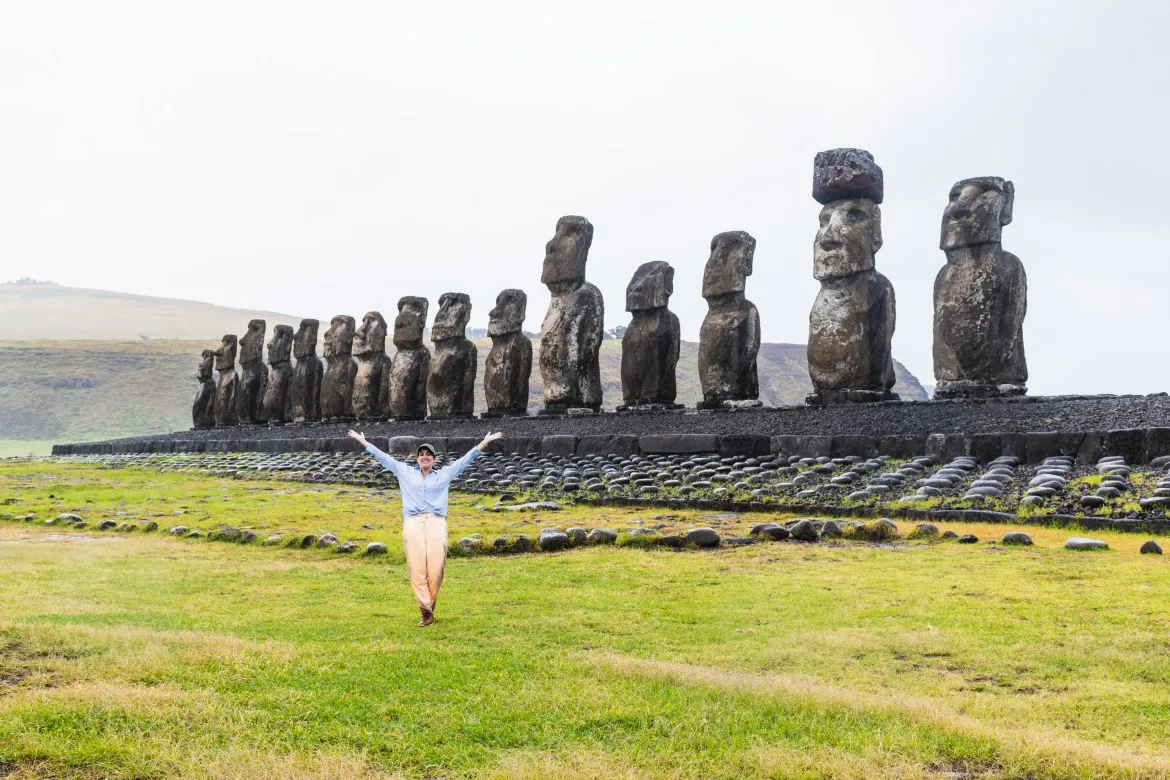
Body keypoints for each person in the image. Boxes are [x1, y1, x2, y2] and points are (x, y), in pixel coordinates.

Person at [347, 429, 502, 626]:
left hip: (436, 521)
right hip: (413, 521)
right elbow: (383, 457)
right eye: (421, 455)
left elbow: (464, 461)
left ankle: (430, 604)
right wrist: (363, 441)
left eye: (428, 455)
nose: (424, 457)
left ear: (433, 459)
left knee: (436, 568)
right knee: (417, 567)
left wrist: (484, 443)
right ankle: (426, 611)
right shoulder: (405, 471)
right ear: (417, 458)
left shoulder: (444, 474)